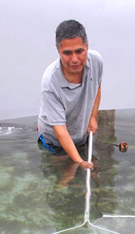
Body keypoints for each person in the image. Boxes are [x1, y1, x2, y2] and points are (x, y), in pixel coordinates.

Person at [37, 20, 103, 170]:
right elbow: (60, 130)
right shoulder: (49, 83)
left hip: (80, 135)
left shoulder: (96, 61)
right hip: (55, 141)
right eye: (67, 53)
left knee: (87, 172)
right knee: (63, 178)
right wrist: (79, 162)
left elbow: (97, 85)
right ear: (58, 49)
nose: (74, 59)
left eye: (79, 51)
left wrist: (92, 117)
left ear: (87, 45)